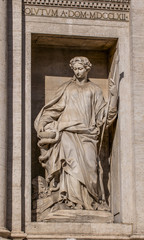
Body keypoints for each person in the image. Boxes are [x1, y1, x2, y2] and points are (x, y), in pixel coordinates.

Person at [34, 56, 118, 211]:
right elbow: (54, 109)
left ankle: (90, 202)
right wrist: (43, 122)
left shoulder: (95, 90)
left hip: (88, 134)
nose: (78, 72)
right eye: (75, 69)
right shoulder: (67, 88)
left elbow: (103, 116)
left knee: (91, 167)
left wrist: (113, 97)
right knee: (70, 164)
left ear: (87, 69)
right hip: (67, 131)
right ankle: (71, 202)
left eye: (80, 69)